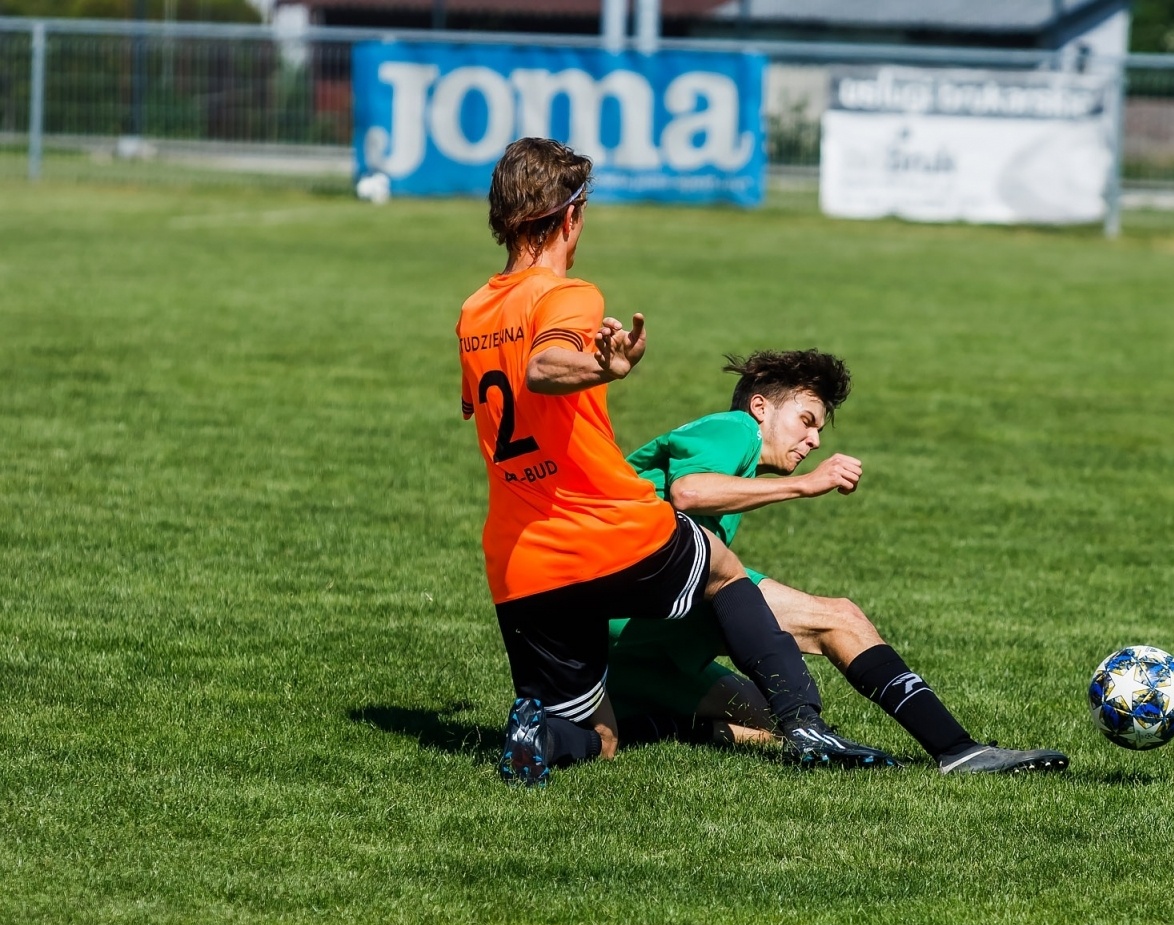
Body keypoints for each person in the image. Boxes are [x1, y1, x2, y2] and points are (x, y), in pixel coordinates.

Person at [456, 139, 894, 785]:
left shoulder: (475, 311)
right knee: (720, 565)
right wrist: (602, 365)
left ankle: (537, 734)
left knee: (597, 735)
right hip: (605, 529)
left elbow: (494, 398)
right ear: (571, 215)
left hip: (520, 555)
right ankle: (805, 723)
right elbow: (544, 367)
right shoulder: (565, 294)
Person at [608, 349, 1071, 775]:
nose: (812, 439)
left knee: (760, 717)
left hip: (628, 640)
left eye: (818, 431)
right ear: (760, 407)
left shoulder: (741, 465)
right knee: (838, 618)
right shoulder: (734, 429)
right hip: (633, 586)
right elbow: (689, 492)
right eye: (806, 420)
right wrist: (805, 484)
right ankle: (958, 750)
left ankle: (651, 728)